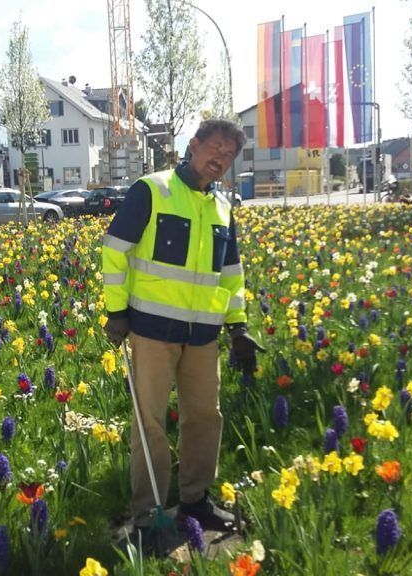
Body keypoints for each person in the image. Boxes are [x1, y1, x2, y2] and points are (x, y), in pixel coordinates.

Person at [101, 118, 263, 538]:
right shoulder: (152, 190)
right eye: (215, 149)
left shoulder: (223, 208)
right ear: (193, 145)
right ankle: (148, 514)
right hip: (153, 331)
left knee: (205, 417)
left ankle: (196, 500)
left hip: (203, 335)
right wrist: (116, 312)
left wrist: (238, 327)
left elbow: (231, 275)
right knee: (149, 422)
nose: (220, 160)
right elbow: (115, 252)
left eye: (228, 156)